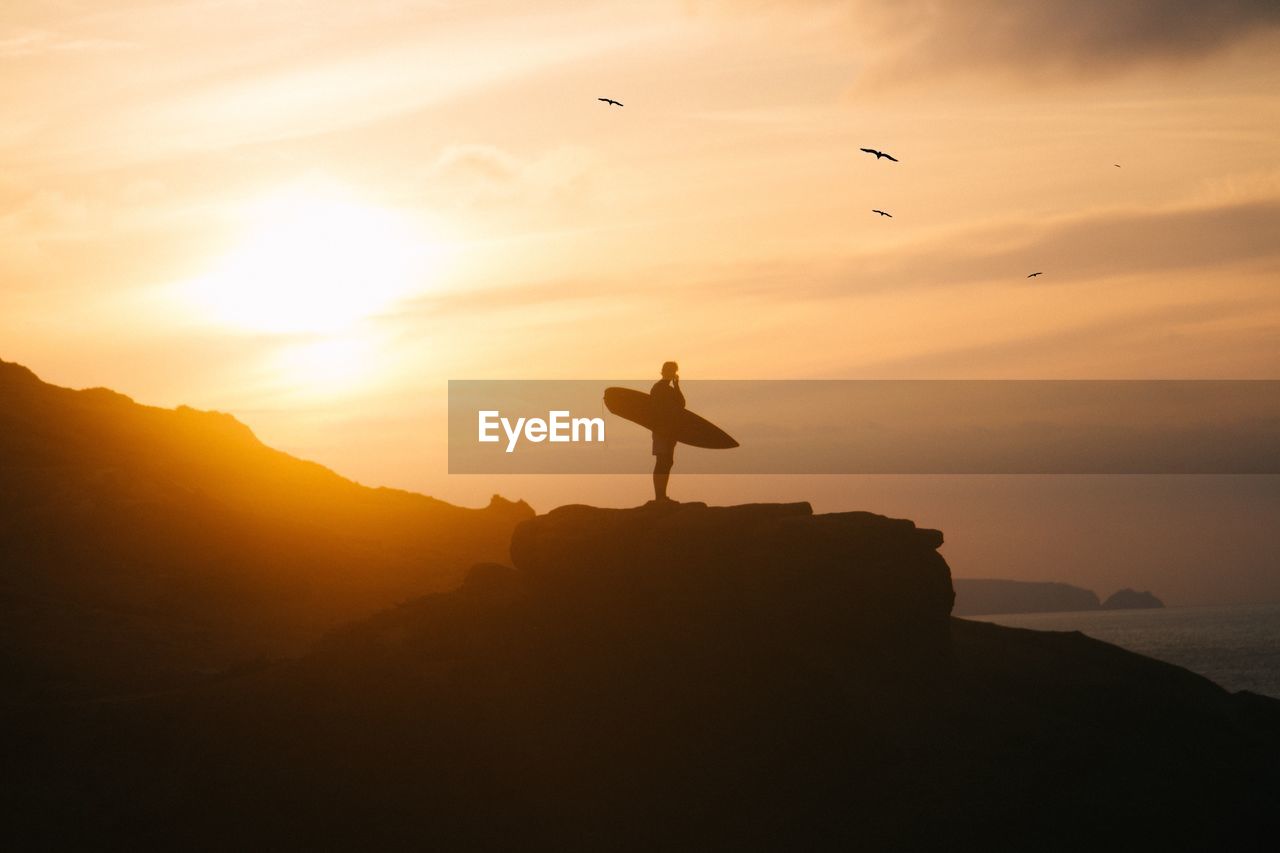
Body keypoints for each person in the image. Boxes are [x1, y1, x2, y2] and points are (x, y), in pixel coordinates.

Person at [650, 361, 685, 502]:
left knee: (668, 461)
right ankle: (659, 496)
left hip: (670, 431)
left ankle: (662, 495)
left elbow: (681, 404)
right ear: (665, 372)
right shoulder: (658, 388)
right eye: (670, 371)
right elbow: (656, 410)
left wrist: (677, 385)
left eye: (674, 372)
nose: (672, 374)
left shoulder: (670, 389)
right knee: (662, 462)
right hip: (661, 431)